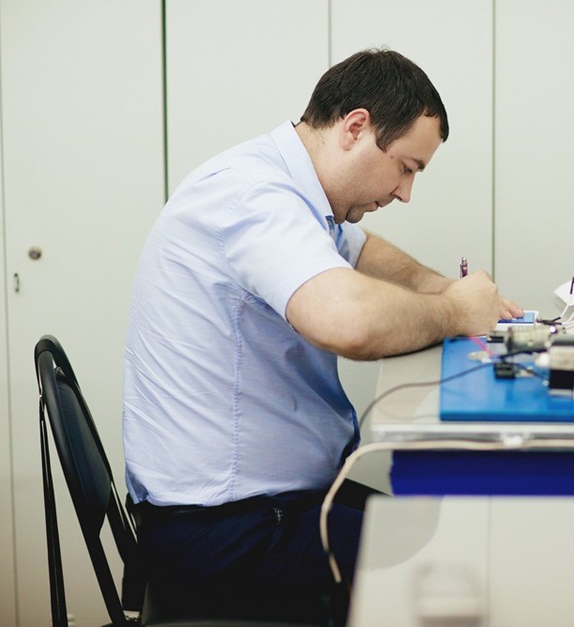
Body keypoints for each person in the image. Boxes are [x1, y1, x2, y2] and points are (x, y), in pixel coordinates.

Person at [122, 48, 522, 623]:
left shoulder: (295, 191)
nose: (406, 192)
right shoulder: (253, 197)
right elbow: (348, 322)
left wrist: (438, 286)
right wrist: (458, 311)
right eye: (406, 167)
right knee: (462, 569)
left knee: (447, 526)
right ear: (355, 128)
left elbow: (361, 252)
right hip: (230, 533)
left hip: (263, 507)